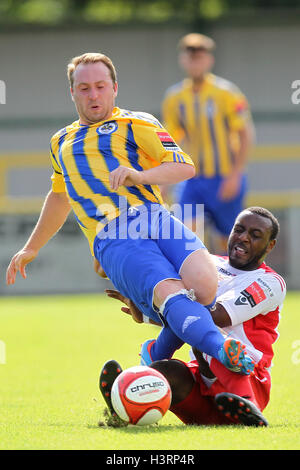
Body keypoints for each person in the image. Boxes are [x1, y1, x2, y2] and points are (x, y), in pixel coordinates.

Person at [6, 52, 254, 376]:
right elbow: (59, 196)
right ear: (72, 92)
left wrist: (140, 176)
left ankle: (157, 350)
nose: (93, 95)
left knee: (206, 287)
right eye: (84, 88)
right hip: (113, 234)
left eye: (100, 86)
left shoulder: (140, 123)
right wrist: (32, 247)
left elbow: (185, 166)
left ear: (114, 87)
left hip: (156, 216)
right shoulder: (60, 143)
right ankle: (221, 349)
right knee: (172, 294)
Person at [99, 207, 286, 427]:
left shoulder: (270, 282)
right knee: (162, 373)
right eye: (239, 229)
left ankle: (250, 409)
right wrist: (146, 311)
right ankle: (121, 402)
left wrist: (163, 309)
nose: (243, 238)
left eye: (255, 235)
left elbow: (214, 317)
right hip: (203, 383)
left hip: (248, 375)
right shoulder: (208, 263)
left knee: (215, 343)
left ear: (270, 245)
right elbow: (180, 310)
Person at [161, 33, 255, 253]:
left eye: (200, 56)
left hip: (223, 177)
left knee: (230, 243)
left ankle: (233, 284)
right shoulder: (175, 97)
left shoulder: (226, 92)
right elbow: (169, 139)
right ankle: (194, 284)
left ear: (209, 60)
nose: (195, 61)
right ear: (183, 60)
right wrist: (163, 179)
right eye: (190, 56)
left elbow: (245, 133)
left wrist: (235, 175)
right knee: (185, 236)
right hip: (193, 180)